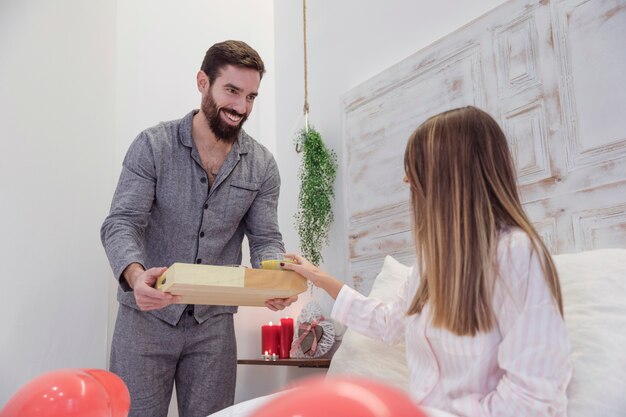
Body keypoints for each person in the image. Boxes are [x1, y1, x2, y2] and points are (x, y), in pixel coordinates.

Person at [283, 106, 572, 417]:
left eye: (416, 171)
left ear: (452, 177)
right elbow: (389, 322)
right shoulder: (431, 264)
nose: (408, 181)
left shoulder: (515, 254)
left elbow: (535, 400)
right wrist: (319, 277)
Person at [101, 40, 295, 417]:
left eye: (251, 97)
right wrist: (135, 277)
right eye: (232, 91)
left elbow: (266, 239)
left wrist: (275, 279)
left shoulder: (263, 166)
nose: (241, 107)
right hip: (146, 319)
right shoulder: (152, 146)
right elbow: (121, 222)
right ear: (202, 81)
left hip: (214, 326)